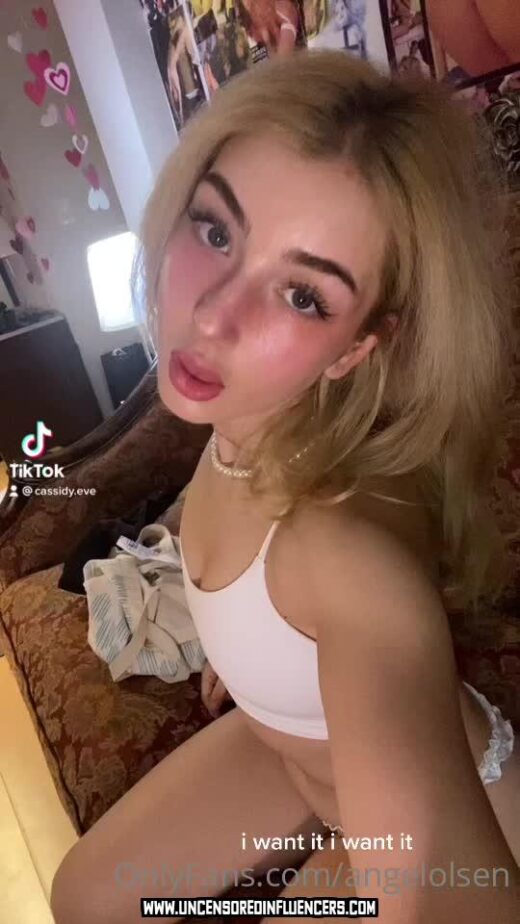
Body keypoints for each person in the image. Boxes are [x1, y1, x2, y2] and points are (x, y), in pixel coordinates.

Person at [51, 49, 520, 923]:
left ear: (357, 347)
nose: (213, 314)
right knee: (85, 897)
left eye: (304, 295)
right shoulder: (243, 426)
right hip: (293, 750)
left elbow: (453, 900)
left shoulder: (343, 562)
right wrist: (252, 654)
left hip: (450, 818)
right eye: (216, 231)